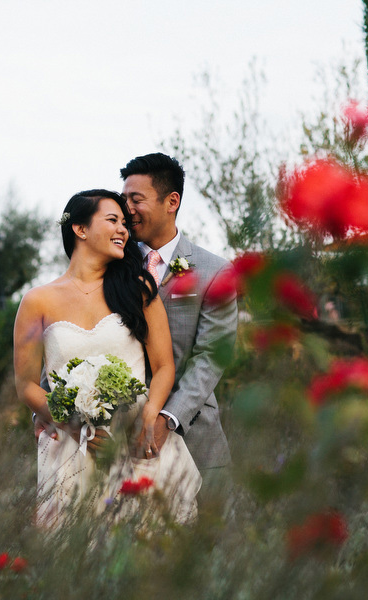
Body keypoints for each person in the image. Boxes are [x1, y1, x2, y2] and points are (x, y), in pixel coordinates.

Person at [14, 190, 200, 526]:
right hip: (73, 449)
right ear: (80, 230)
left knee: (152, 551)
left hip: (136, 444)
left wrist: (147, 417)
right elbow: (26, 384)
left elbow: (163, 367)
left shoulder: (138, 290)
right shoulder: (37, 302)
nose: (124, 230)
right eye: (113, 220)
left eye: (125, 224)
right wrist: (71, 424)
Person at [120, 152, 238, 499]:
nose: (126, 209)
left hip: (194, 434)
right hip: (116, 437)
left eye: (135, 199)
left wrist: (167, 417)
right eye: (123, 198)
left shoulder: (215, 271)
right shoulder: (113, 266)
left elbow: (211, 356)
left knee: (207, 543)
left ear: (172, 201)